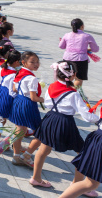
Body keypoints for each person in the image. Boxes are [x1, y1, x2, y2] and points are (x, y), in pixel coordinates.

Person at [31, 61, 100, 192]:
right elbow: (87, 117)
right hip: (65, 122)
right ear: (73, 75)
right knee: (83, 153)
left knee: (44, 149)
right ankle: (77, 185)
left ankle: (36, 177)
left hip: (50, 119)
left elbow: (47, 103)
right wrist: (99, 119)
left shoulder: (52, 86)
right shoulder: (73, 93)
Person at [8, 51, 43, 168]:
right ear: (24, 62)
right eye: (32, 62)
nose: (36, 64)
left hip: (18, 101)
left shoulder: (20, 73)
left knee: (20, 129)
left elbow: (14, 88)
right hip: (28, 104)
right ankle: (26, 155)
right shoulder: (32, 78)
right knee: (41, 132)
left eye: (37, 61)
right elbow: (34, 98)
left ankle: (16, 155)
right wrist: (45, 100)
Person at [59, 18, 99, 86]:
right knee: (78, 79)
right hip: (80, 60)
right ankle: (73, 93)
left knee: (67, 77)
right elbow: (95, 49)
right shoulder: (87, 36)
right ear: (82, 26)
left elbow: (61, 46)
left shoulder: (67, 35)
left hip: (67, 58)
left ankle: (66, 92)